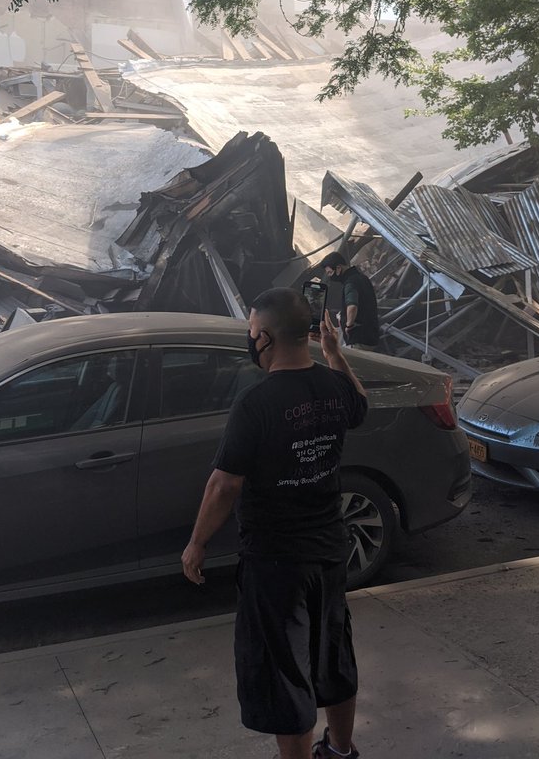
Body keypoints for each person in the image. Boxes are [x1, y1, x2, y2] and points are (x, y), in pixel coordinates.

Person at [181, 287, 368, 759]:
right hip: (330, 552)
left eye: (251, 331)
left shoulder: (256, 402)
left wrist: (197, 543)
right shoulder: (334, 386)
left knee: (285, 675)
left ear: (264, 337)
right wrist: (335, 354)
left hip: (276, 564)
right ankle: (340, 751)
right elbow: (360, 404)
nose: (250, 339)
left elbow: (224, 485)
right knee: (332, 656)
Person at [322, 252, 380, 350]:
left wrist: (349, 326)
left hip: (359, 340)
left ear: (338, 268)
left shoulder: (350, 283)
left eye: (330, 272)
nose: (329, 276)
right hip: (371, 336)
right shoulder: (362, 278)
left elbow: (352, 306)